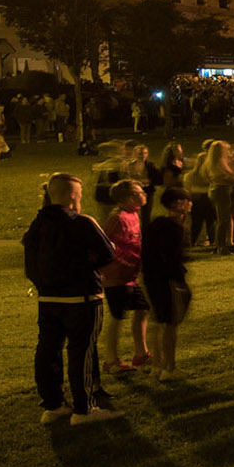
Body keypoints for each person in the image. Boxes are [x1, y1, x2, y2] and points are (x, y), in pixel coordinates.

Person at [25, 173, 118, 423]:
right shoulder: (83, 223)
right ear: (72, 196)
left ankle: (53, 405)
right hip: (83, 299)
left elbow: (30, 264)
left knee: (48, 350)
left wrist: (45, 284)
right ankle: (84, 409)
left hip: (48, 301)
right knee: (81, 352)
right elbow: (109, 254)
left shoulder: (38, 223)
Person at [99, 180, 151, 374]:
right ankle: (111, 361)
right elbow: (103, 244)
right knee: (117, 316)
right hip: (116, 277)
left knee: (142, 309)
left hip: (130, 276)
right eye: (139, 192)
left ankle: (141, 353)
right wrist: (118, 263)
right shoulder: (117, 218)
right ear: (128, 198)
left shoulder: (133, 214)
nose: (143, 194)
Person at [142, 186, 192, 382]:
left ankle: (157, 365)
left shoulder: (155, 224)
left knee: (159, 321)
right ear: (178, 203)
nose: (190, 204)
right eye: (187, 201)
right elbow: (172, 258)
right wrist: (179, 276)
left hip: (151, 279)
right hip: (168, 281)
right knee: (171, 324)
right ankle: (169, 368)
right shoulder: (174, 228)